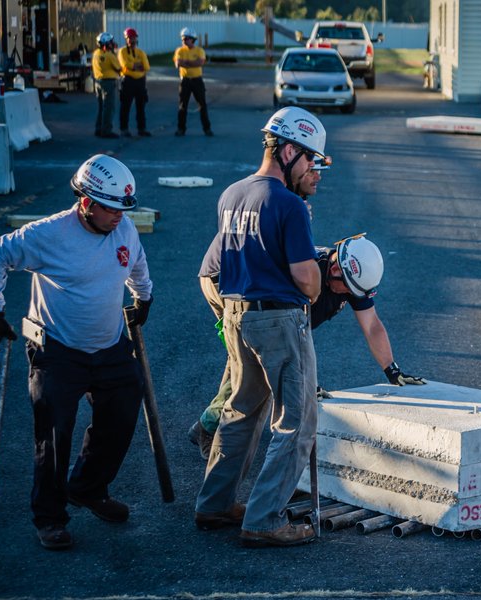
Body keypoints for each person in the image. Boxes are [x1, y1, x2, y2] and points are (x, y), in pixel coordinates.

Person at [0, 154, 152, 550]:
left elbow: (137, 263)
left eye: (125, 210)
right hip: (58, 349)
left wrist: (143, 296)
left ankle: (88, 487)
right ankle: (50, 517)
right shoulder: (48, 235)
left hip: (108, 345)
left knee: (123, 411)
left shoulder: (123, 229)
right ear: (87, 203)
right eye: (111, 209)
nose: (120, 218)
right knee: (54, 434)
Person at [193, 107, 330, 547]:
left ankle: (214, 504)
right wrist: (313, 292)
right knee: (297, 423)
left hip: (236, 315)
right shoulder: (288, 205)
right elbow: (308, 279)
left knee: (241, 410)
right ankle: (266, 518)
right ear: (289, 150)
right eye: (311, 159)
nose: (314, 169)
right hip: (279, 321)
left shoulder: (231, 194)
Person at [189, 234, 424, 459]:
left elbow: (372, 324)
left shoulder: (351, 274)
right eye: (349, 291)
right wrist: (306, 380)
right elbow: (286, 339)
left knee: (248, 362)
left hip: (258, 288)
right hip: (227, 281)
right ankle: (209, 428)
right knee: (254, 361)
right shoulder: (303, 277)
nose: (352, 296)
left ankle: (216, 424)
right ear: (334, 270)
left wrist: (392, 370)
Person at [173, 27, 212, 137]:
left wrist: (186, 63)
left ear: (192, 39)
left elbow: (200, 63)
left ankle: (207, 128)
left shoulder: (199, 50)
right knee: (182, 106)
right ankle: (181, 129)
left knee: (202, 105)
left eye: (186, 39)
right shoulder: (179, 50)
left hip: (197, 81)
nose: (183, 41)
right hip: (185, 81)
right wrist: (191, 63)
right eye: (182, 39)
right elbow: (178, 63)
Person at [118, 27, 150, 138]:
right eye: (129, 38)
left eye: (133, 38)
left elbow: (146, 66)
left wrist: (134, 66)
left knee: (141, 106)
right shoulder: (122, 51)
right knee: (125, 106)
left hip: (140, 81)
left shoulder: (140, 52)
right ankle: (124, 129)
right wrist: (136, 66)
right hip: (128, 81)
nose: (131, 40)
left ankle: (142, 128)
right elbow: (125, 65)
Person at [91, 32, 121, 139]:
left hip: (98, 81)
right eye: (110, 42)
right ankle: (106, 130)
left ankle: (98, 128)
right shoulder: (109, 55)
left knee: (101, 107)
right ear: (106, 43)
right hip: (108, 82)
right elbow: (119, 68)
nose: (112, 44)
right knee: (108, 107)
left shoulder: (96, 53)